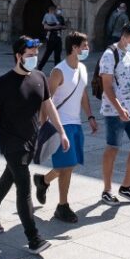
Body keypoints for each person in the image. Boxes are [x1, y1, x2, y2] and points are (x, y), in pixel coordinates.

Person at [0, 36, 68, 255]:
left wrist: (61, 131)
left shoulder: (39, 77)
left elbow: (49, 106)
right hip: (11, 142)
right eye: (29, 56)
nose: (34, 59)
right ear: (18, 56)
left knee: (10, 175)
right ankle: (34, 238)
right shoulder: (2, 84)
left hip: (31, 139)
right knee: (24, 188)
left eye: (36, 55)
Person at [34, 31, 97, 223]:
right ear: (74, 48)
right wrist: (43, 123)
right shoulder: (58, 72)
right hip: (60, 124)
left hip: (76, 123)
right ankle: (62, 206)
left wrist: (91, 116)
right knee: (67, 165)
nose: (87, 49)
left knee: (69, 165)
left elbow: (83, 94)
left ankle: (43, 180)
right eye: (84, 46)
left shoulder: (83, 69)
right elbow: (47, 99)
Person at [98, 21, 130, 205]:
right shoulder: (109, 55)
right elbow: (106, 86)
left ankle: (126, 187)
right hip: (114, 111)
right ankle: (107, 190)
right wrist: (119, 109)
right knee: (113, 147)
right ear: (123, 37)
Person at [39, 2, 64, 70]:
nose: (58, 11)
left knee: (57, 55)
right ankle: (39, 68)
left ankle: (57, 69)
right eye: (57, 9)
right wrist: (55, 27)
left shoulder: (60, 18)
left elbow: (64, 26)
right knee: (47, 54)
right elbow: (45, 27)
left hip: (58, 38)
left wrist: (60, 27)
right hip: (51, 38)